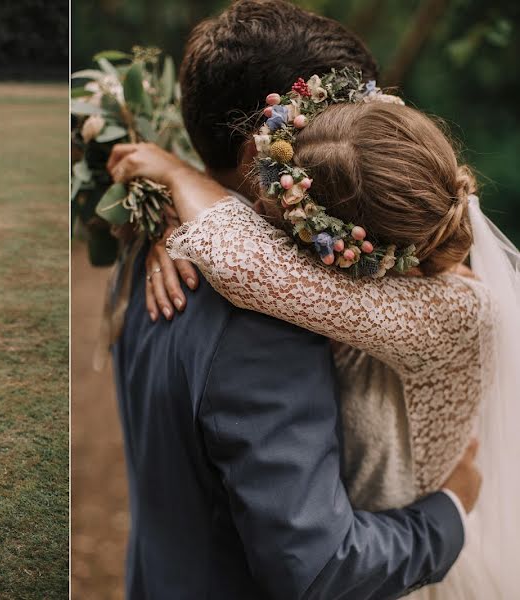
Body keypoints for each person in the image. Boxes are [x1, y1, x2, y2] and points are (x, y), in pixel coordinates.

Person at [108, 13, 520, 600]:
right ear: (270, 153)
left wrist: (172, 174)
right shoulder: (262, 325)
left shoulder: (144, 230)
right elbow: (319, 568)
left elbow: (246, 258)